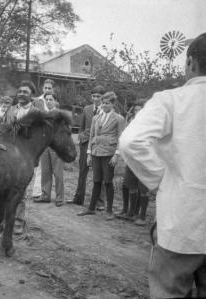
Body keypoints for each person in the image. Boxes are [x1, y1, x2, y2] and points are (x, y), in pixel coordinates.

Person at [119, 33, 206, 298]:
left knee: (168, 290)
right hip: (184, 222)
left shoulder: (171, 100)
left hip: (181, 224)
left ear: (190, 62)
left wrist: (159, 179)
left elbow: (131, 141)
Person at [3, 80, 45, 234]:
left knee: (20, 192)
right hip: (7, 157)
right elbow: (4, 130)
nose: (21, 94)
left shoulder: (37, 114)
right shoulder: (11, 109)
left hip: (25, 159)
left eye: (25, 92)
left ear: (32, 95)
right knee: (4, 190)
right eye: (19, 91)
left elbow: (41, 138)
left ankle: (18, 223)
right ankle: (4, 221)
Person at [77, 91, 125, 220]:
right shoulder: (96, 118)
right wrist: (88, 154)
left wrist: (116, 155)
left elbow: (121, 138)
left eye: (107, 103)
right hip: (96, 152)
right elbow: (92, 136)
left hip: (109, 153)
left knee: (108, 181)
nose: (104, 105)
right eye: (103, 103)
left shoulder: (118, 119)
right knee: (96, 180)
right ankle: (91, 208)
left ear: (113, 104)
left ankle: (109, 210)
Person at [70, 85, 105, 206]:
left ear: (103, 97)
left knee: (99, 173)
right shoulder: (87, 109)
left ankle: (99, 202)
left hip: (99, 145)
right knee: (82, 171)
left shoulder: (107, 110)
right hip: (85, 143)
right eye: (93, 96)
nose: (95, 98)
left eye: (98, 96)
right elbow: (82, 127)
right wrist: (80, 137)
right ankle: (78, 198)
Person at [116, 98, 149, 226]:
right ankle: (131, 213)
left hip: (144, 159)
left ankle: (142, 216)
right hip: (131, 158)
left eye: (139, 109)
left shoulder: (149, 124)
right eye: (135, 109)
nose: (137, 111)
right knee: (130, 184)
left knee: (143, 187)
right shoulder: (131, 122)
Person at [38, 93, 65, 207]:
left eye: (51, 99)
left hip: (56, 147)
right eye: (47, 99)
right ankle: (45, 195)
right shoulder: (43, 114)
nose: (48, 101)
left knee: (58, 173)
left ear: (55, 101)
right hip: (45, 147)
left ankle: (59, 198)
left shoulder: (60, 115)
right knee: (45, 172)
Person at [31, 79, 53, 200]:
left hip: (47, 138)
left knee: (42, 166)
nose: (47, 90)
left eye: (49, 88)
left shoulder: (54, 102)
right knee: (33, 163)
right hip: (37, 136)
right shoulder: (36, 101)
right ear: (42, 88)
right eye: (46, 88)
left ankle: (39, 191)